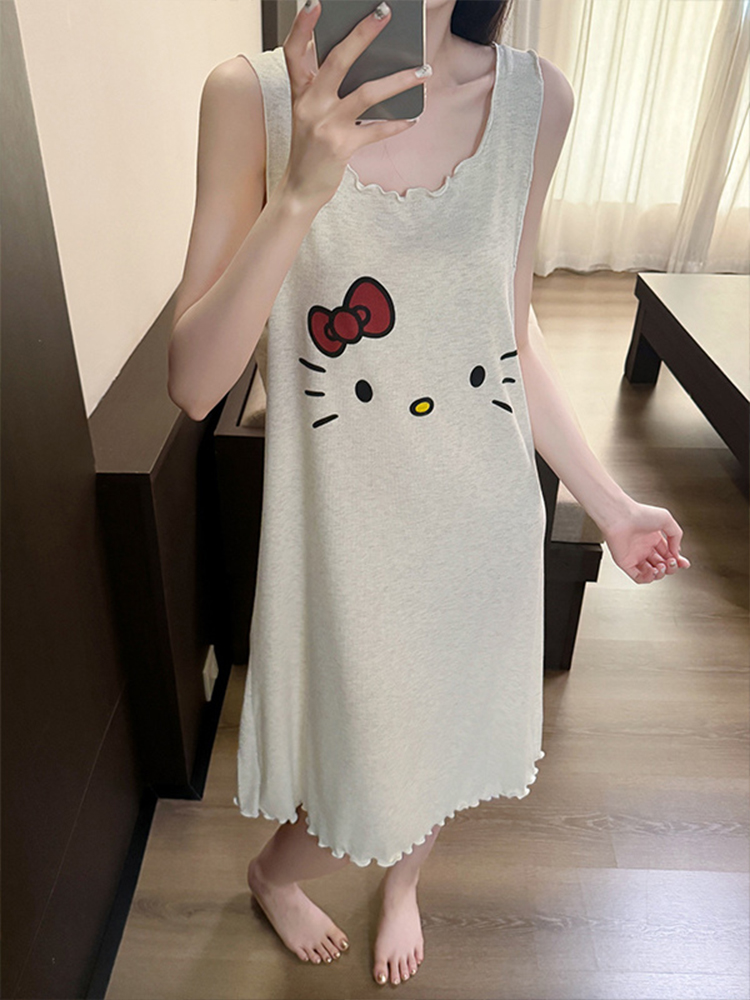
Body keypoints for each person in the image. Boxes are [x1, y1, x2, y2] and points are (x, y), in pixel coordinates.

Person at [167, 0, 691, 987]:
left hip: (482, 521)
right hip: (346, 539)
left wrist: (610, 503)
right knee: (363, 762)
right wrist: (299, 195)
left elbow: (508, 327)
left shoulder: (536, 100)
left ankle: (405, 881)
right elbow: (196, 384)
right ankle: (275, 874)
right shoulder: (251, 98)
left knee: (446, 740)